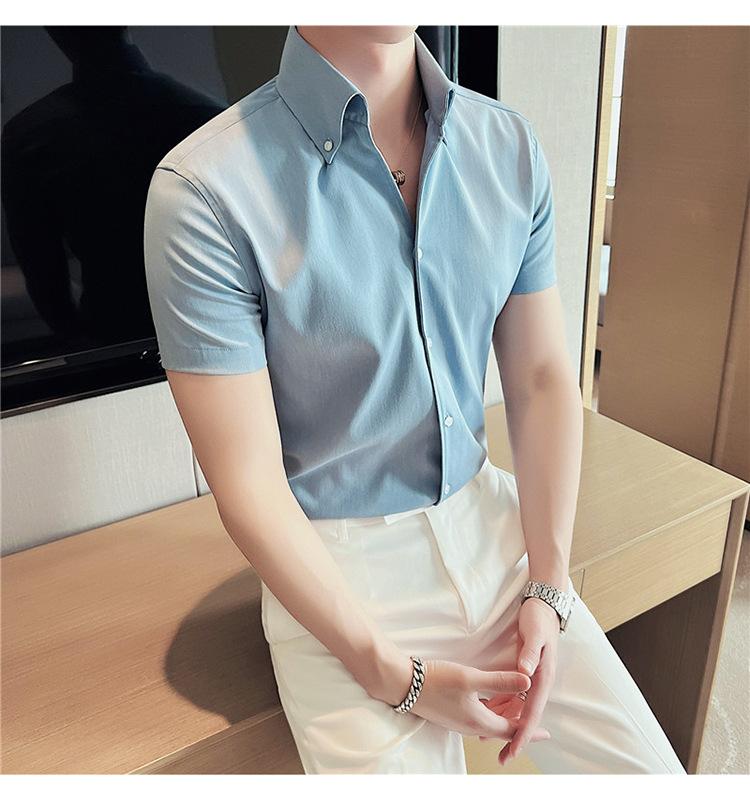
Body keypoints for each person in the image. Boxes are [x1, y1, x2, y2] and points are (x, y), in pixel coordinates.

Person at [143, 24, 687, 775]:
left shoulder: (508, 146)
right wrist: (393, 674)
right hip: (338, 573)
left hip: (496, 530)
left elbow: (540, 379)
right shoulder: (205, 189)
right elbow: (249, 485)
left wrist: (548, 583)